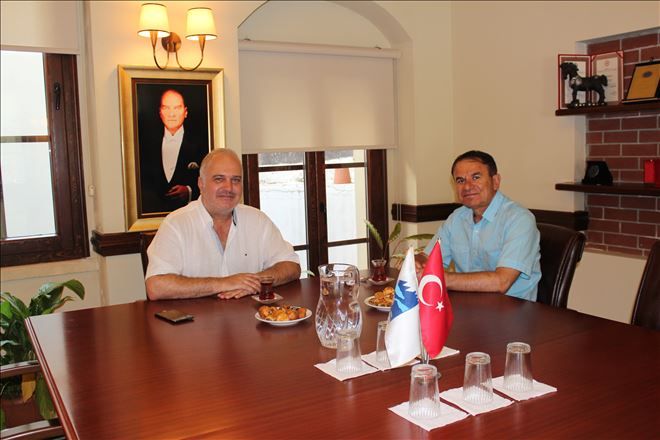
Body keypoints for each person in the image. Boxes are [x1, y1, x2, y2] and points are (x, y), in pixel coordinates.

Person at [145, 148, 301, 300]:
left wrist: (252, 282)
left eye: (236, 180)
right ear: (201, 183)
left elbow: (291, 265)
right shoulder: (176, 224)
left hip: (248, 315)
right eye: (219, 179)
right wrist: (224, 283)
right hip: (194, 317)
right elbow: (156, 286)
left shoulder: (258, 220)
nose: (229, 188)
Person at [416, 150, 541, 301]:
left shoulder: (519, 219)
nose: (467, 186)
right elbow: (428, 257)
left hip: (512, 309)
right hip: (467, 305)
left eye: (476, 177)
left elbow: (502, 282)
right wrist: (418, 262)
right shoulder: (457, 218)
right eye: (460, 180)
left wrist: (442, 278)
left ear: (495, 181)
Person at [139, 89, 208, 214]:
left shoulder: (202, 143)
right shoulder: (145, 144)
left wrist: (189, 191)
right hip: (152, 215)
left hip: (189, 216)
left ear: (185, 112)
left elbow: (212, 180)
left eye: (177, 108)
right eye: (166, 108)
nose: (171, 114)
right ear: (160, 112)